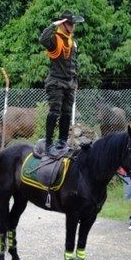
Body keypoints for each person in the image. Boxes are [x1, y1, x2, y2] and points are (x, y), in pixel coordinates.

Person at [39, 10, 84, 157]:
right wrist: (54, 25)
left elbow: (74, 63)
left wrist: (75, 80)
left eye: (73, 23)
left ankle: (62, 142)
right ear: (62, 24)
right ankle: (48, 144)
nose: (72, 26)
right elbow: (42, 39)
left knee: (67, 112)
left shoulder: (73, 41)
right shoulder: (54, 39)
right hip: (56, 82)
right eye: (69, 23)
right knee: (55, 111)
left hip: (69, 83)